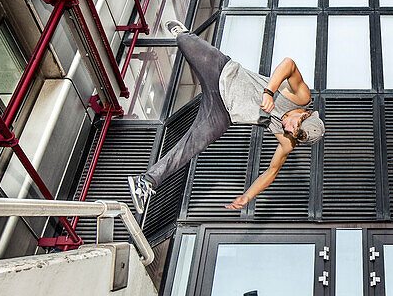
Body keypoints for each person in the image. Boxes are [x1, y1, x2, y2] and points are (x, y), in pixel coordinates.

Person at [128, 21, 324, 215]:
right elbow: (289, 63)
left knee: (191, 146)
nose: (288, 129)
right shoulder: (301, 97)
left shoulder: (288, 140)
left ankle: (146, 181)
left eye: (293, 134)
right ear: (304, 114)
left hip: (222, 113)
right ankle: (182, 33)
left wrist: (248, 196)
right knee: (185, 42)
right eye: (294, 125)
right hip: (223, 72)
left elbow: (272, 171)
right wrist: (269, 92)